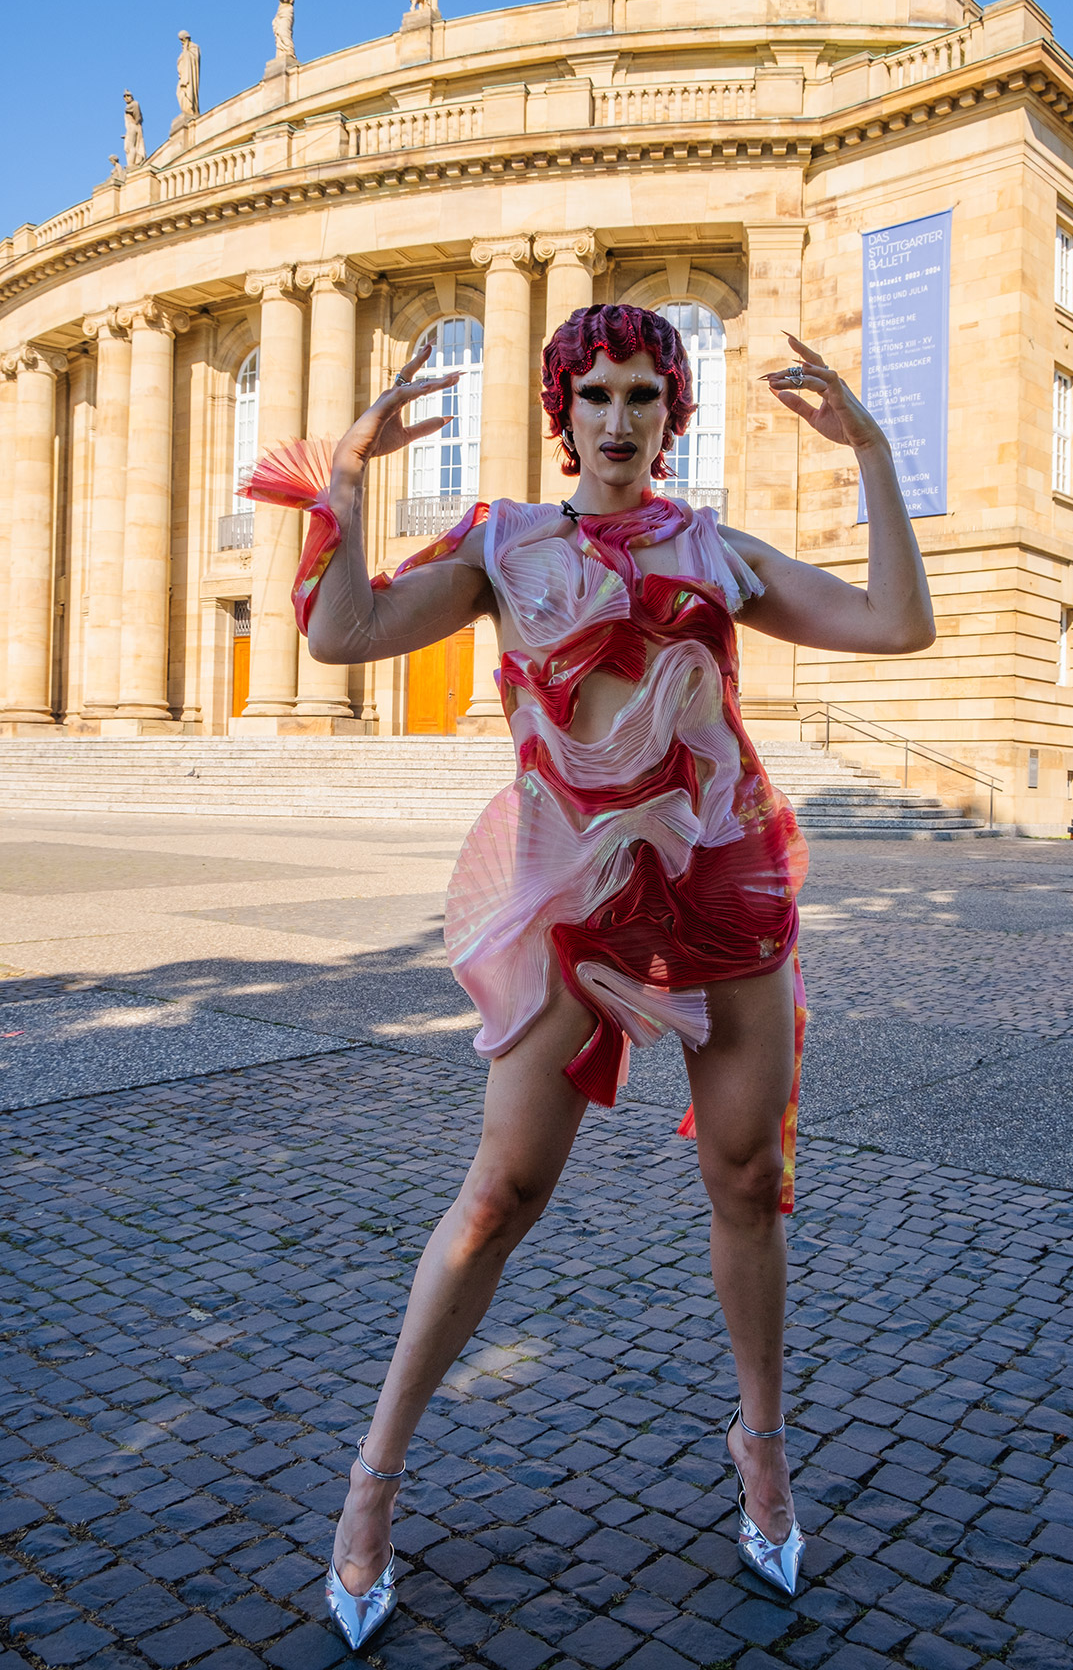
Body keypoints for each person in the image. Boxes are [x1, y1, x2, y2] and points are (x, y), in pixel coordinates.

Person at [241, 304, 935, 1649]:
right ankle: (372, 1485)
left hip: (724, 883)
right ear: (564, 414)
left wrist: (878, 456)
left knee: (746, 1180)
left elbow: (896, 623)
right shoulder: (505, 542)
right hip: (575, 900)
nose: (619, 419)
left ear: (675, 414)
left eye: (642, 396)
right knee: (501, 1192)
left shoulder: (713, 550)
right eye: (597, 396)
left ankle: (763, 1450)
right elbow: (342, 639)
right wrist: (342, 490)